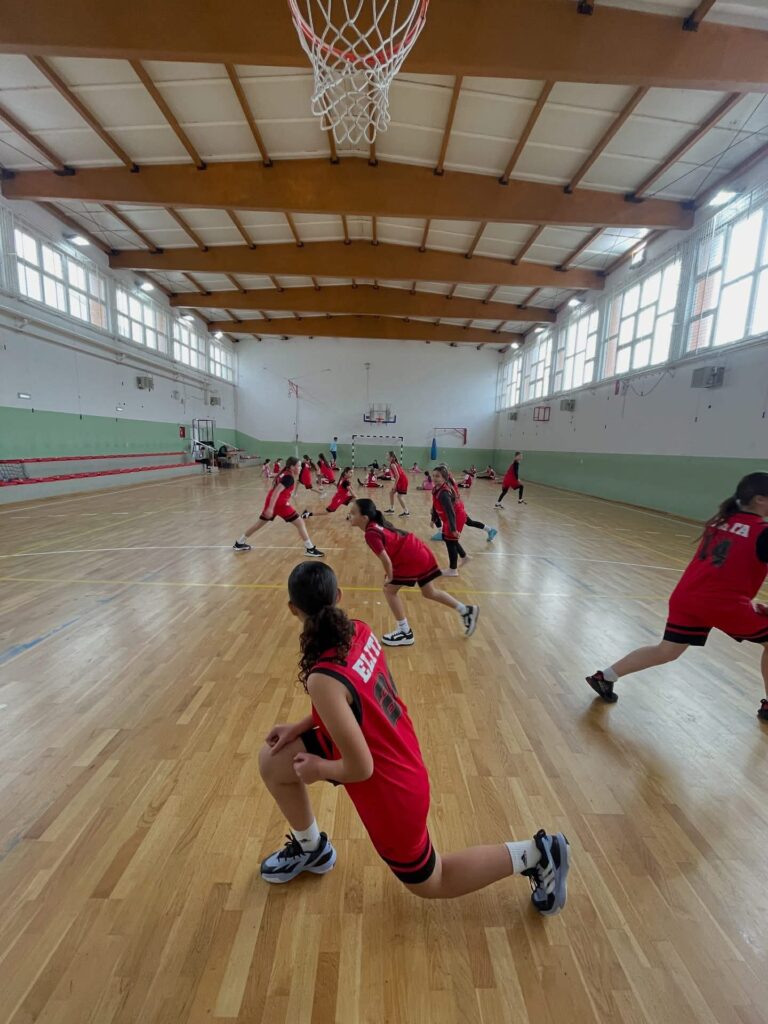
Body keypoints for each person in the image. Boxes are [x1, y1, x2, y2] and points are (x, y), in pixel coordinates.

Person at [257, 562, 570, 910]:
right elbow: (355, 700)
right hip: (394, 753)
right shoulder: (357, 630)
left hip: (389, 788)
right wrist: (300, 728)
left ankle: (536, 854)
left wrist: (318, 769)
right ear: (339, 597)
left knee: (433, 881)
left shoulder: (322, 679)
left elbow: (360, 767)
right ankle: (312, 849)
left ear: (292, 610)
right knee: (273, 761)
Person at [586, 472, 768, 722]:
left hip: (687, 597)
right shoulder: (761, 532)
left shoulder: (720, 519)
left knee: (667, 651)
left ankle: (604, 677)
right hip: (722, 603)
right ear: (760, 499)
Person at [349, 498, 479, 644]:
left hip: (410, 557)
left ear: (364, 518)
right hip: (418, 550)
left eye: (353, 513)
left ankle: (405, 632)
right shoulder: (375, 525)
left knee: (389, 590)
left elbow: (385, 559)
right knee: (429, 592)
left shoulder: (370, 534)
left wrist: (390, 576)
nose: (349, 516)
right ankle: (465, 610)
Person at [233, 456, 324, 556]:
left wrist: (270, 506)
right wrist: (271, 508)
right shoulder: (288, 477)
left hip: (273, 501)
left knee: (259, 524)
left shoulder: (285, 473)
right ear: (292, 467)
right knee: (300, 523)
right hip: (280, 504)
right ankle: (310, 549)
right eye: (298, 466)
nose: (301, 468)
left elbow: (274, 488)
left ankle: (239, 542)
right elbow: (276, 491)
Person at [430, 464, 497, 546]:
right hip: (455, 507)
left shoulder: (447, 483)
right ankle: (489, 530)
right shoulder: (446, 481)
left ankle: (490, 530)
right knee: (468, 522)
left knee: (469, 522)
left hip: (456, 508)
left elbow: (452, 496)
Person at [383, 453, 410, 518]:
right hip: (400, 480)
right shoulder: (393, 463)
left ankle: (406, 512)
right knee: (391, 493)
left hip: (402, 481)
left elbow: (397, 475)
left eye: (387, 455)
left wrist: (394, 485)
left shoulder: (393, 464)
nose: (386, 456)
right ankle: (392, 509)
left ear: (391, 457)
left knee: (399, 496)